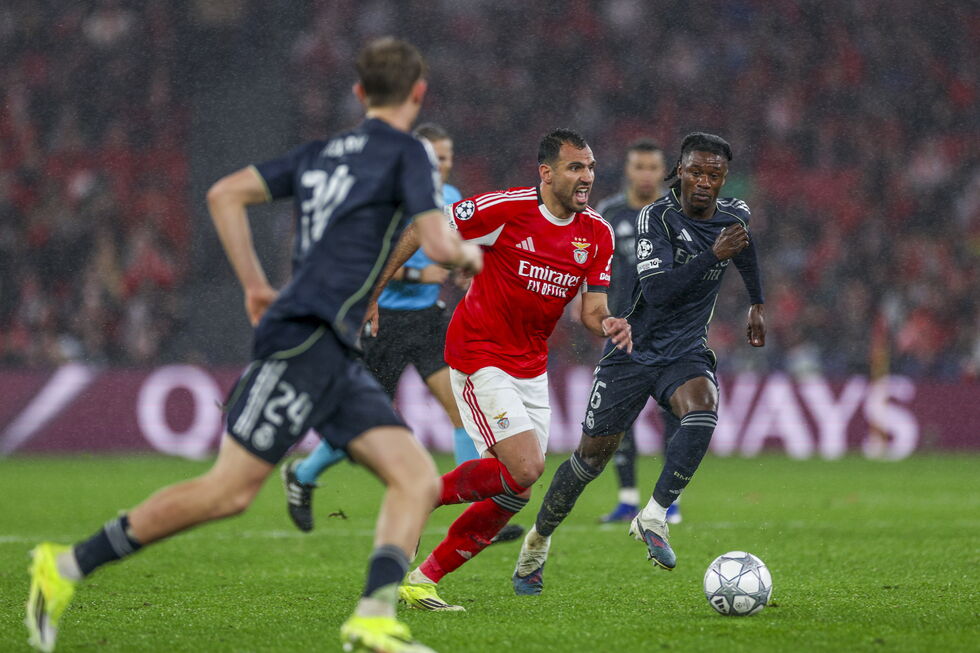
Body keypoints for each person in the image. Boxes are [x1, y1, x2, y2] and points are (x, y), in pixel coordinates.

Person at [25, 37, 481, 653]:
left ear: (358, 93)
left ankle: (373, 619)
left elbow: (224, 194)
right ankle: (65, 566)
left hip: (330, 346)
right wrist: (469, 255)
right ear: (419, 92)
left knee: (416, 478)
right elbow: (440, 241)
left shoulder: (321, 154)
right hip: (304, 341)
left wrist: (252, 286)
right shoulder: (410, 155)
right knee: (228, 492)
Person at [384, 128, 631, 612]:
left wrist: (611, 324)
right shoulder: (507, 209)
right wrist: (374, 292)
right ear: (547, 172)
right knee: (526, 468)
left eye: (591, 167)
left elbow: (591, 311)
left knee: (517, 488)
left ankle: (423, 579)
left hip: (530, 365)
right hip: (479, 352)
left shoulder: (597, 234)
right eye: (575, 168)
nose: (587, 178)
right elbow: (425, 227)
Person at [512, 132, 765, 595]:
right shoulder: (655, 218)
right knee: (588, 461)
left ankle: (653, 515)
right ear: (680, 173)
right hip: (631, 347)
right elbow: (662, 291)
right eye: (696, 172)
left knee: (703, 410)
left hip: (684, 349)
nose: (705, 182)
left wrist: (757, 302)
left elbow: (743, 246)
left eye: (715, 175)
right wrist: (713, 254)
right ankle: (537, 543)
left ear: (724, 179)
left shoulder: (736, 214)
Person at [279, 124, 526, 544]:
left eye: (446, 158)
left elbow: (462, 247)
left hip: (428, 318)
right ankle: (302, 474)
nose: (441, 167)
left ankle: (471, 510)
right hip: (383, 321)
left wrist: (467, 262)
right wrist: (417, 272)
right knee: (365, 424)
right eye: (433, 158)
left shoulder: (450, 201)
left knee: (460, 409)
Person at [593, 139, 683, 525]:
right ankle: (628, 499)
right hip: (622, 330)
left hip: (669, 330)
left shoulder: (675, 212)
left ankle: (668, 502)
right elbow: (592, 268)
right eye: (639, 166)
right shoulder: (609, 213)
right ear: (628, 171)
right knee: (618, 417)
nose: (646, 174)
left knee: (673, 414)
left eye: (652, 167)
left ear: (662, 172)